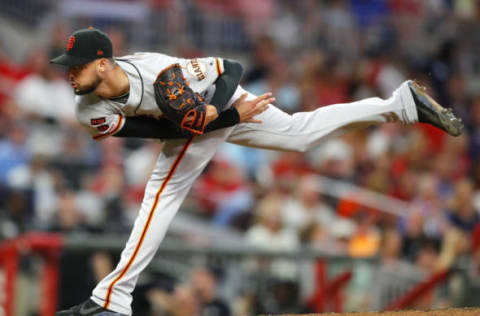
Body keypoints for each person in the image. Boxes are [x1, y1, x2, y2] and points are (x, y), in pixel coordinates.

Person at [52, 28, 462, 316]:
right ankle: (401, 103)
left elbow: (229, 67)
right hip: (203, 115)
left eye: (78, 66)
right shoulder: (88, 109)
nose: (70, 72)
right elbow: (162, 129)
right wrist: (225, 118)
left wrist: (226, 111)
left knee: (165, 191)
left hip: (216, 94)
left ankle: (112, 299)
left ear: (103, 64)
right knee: (294, 137)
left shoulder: (161, 73)